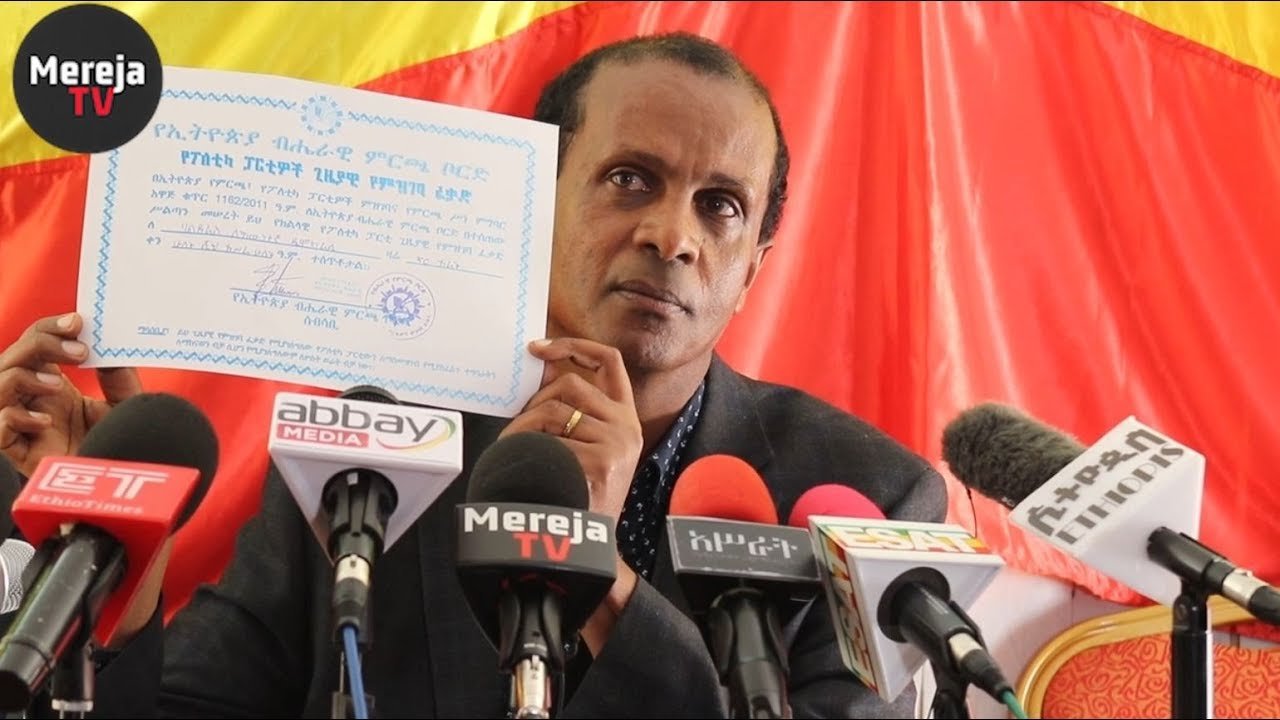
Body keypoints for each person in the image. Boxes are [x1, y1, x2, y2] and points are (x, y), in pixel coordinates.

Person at [0, 32, 946, 718]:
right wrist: (124, 548)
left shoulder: (863, 495)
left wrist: (599, 573)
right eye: (629, 179)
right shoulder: (369, 449)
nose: (672, 236)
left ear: (753, 270)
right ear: (533, 205)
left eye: (721, 206)